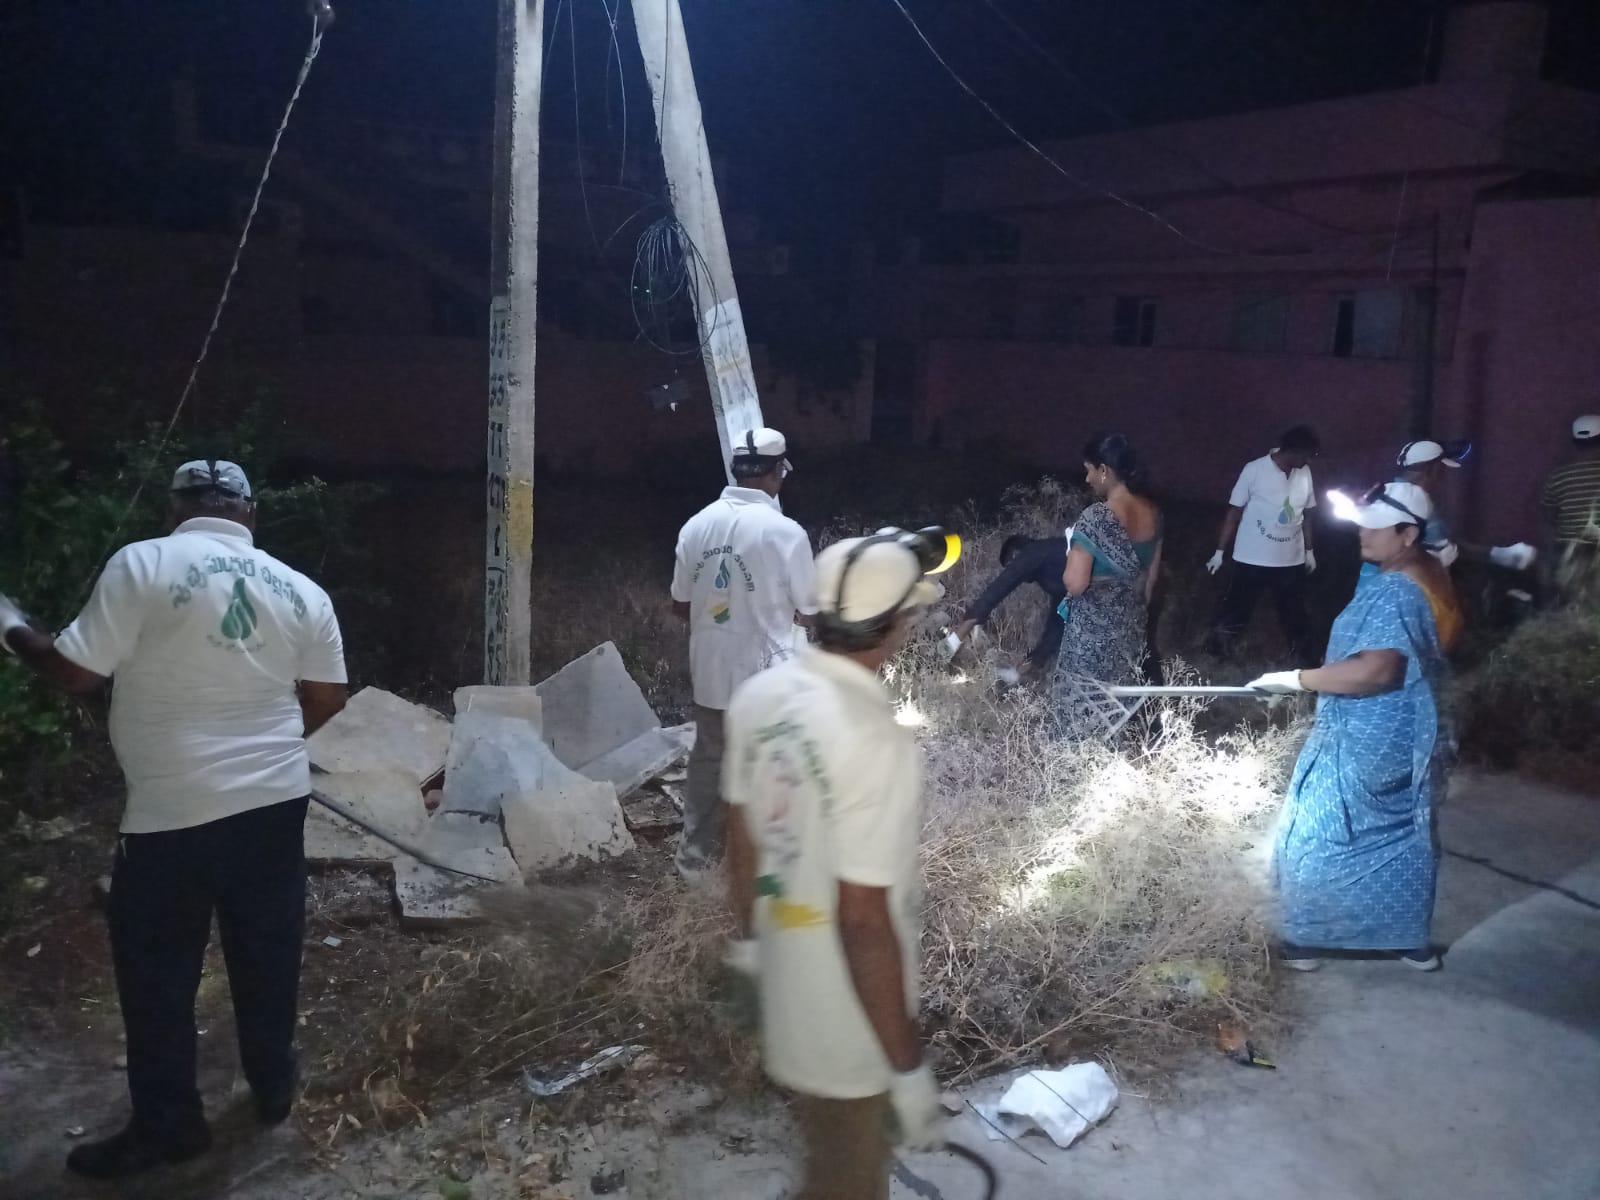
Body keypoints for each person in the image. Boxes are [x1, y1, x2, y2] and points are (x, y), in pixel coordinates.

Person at [0, 460, 348, 1179]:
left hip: (172, 814)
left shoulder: (143, 563)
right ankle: (273, 1085)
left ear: (174, 510)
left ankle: (171, 1128)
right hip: (275, 805)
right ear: (250, 513)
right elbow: (326, 698)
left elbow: (74, 672)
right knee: (268, 948)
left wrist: (10, 627)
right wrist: (265, 750)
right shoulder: (304, 590)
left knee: (158, 971)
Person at [723, 529, 953, 1200]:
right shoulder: (876, 741)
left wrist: (750, 948)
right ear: (896, 626)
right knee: (848, 1179)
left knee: (826, 1159)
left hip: (785, 970)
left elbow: (742, 841)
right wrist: (905, 1065)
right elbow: (862, 921)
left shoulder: (760, 697)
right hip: (847, 1014)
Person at [1248, 481, 1458, 972]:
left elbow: (1376, 670)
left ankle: (1306, 939)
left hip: (1367, 731)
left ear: (1407, 534)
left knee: (1314, 829)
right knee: (1400, 832)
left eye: (1376, 527)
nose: (1363, 533)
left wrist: (1296, 679)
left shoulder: (1394, 590)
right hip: (1408, 729)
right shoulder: (1429, 574)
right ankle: (1409, 941)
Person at [671, 427, 818, 880]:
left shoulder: (696, 525)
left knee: (709, 762)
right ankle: (761, 869)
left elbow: (680, 604)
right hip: (767, 678)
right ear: (777, 473)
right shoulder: (786, 533)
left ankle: (694, 864)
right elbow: (810, 611)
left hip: (711, 670)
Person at [1052, 434, 1162, 736]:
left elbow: (1075, 584)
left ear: (1104, 470)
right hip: (1130, 625)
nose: (1087, 479)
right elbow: (1150, 580)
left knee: (1082, 701)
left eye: (1089, 470)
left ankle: (1075, 752)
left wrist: (1071, 551)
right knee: (1116, 701)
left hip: (1092, 631)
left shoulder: (1096, 517)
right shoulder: (1154, 513)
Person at [1204, 425, 1321, 665]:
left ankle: (1305, 658)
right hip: (1252, 557)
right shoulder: (1254, 470)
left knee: (1294, 611)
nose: (1309, 460)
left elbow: (1308, 514)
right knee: (1237, 607)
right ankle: (1216, 651)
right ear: (1293, 451)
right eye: (1307, 455)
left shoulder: (1304, 472)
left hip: (1290, 559)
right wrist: (1219, 552)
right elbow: (1234, 512)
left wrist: (1309, 551)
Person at [949, 533, 1068, 679]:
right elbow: (1056, 626)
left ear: (1017, 556)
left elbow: (998, 590)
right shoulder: (1055, 574)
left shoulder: (1035, 551)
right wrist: (1020, 671)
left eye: (1011, 565)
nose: (1016, 571)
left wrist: (953, 641)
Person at [1540, 414, 1600, 605]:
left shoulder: (1558, 475)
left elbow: (1548, 516)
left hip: (1566, 550)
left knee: (1570, 603)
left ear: (1575, 443)